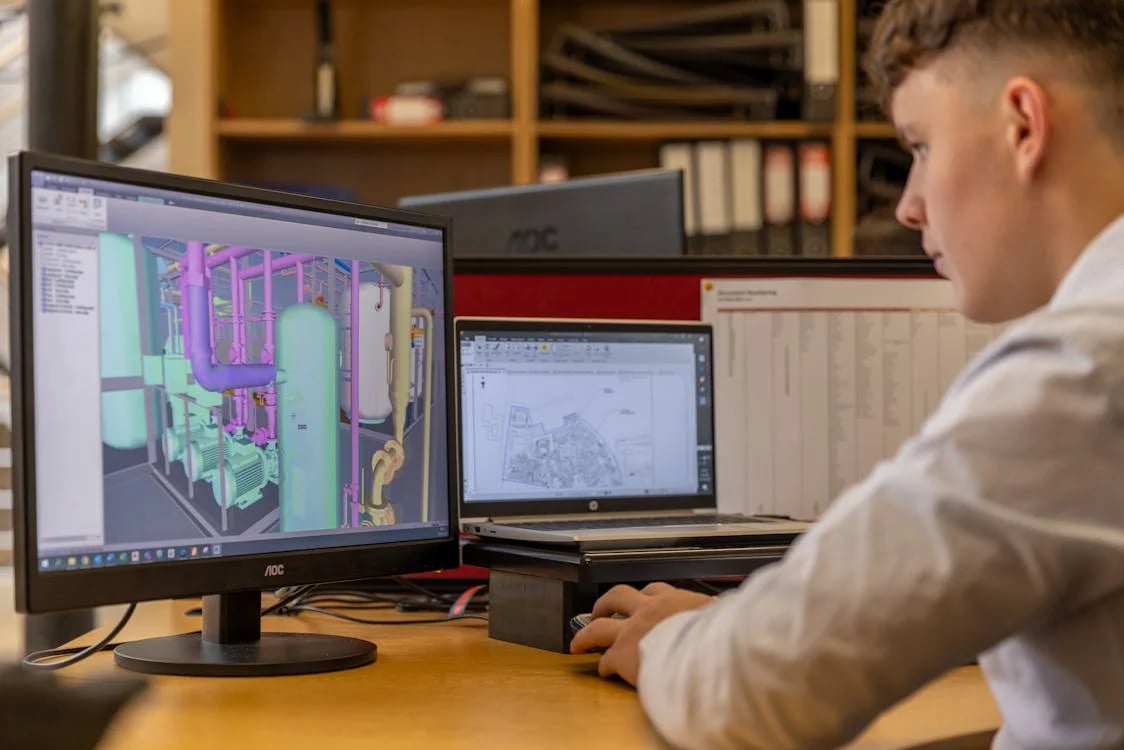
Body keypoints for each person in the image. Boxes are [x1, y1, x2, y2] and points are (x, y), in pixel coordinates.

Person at [569, 1, 1124, 747]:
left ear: (1022, 123)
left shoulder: (1078, 377)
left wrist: (668, 642)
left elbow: (744, 696)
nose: (907, 205)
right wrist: (738, 624)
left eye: (922, 145)